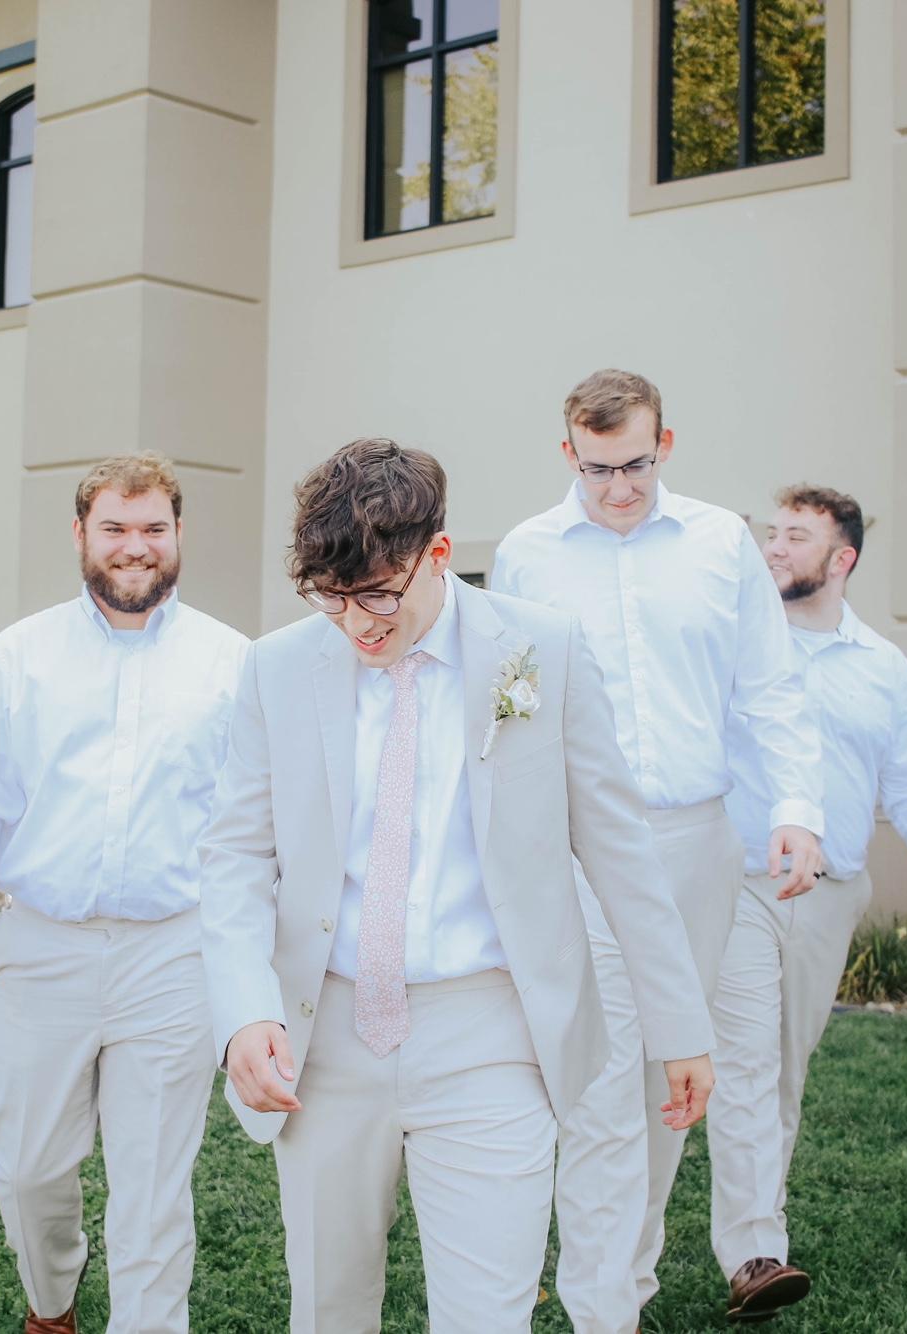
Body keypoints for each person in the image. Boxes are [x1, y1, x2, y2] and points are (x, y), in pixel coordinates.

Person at [200, 437, 715, 1332]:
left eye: (379, 595)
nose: (358, 622)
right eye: (332, 597)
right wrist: (246, 1010)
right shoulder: (276, 666)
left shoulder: (543, 651)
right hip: (323, 1037)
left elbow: (619, 850)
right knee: (328, 1309)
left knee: (487, 1316)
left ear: (438, 553)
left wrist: (679, 1026)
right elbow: (236, 854)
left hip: (491, 1034)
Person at [491, 369, 823, 1332]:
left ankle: (626, 1278)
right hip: (586, 853)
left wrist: (797, 806)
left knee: (673, 1079)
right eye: (598, 470)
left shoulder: (720, 542)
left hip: (699, 844)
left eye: (635, 465)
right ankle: (605, 1312)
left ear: (664, 445)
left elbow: (770, 688)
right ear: (569, 455)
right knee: (603, 1088)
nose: (619, 488)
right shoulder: (525, 554)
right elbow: (508, 712)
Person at [0, 454, 247, 1334]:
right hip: (40, 944)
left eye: (153, 529)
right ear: (80, 534)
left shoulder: (231, 661)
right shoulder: (20, 654)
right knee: (27, 1169)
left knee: (153, 1190)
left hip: (174, 952)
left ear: (178, 534)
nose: (135, 546)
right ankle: (52, 1301)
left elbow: (252, 822)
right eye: (115, 528)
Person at [710, 485, 907, 1317]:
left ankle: (759, 1228)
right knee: (747, 1064)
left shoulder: (883, 667)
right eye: (772, 533)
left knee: (783, 1073)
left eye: (795, 536)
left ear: (842, 557)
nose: (773, 548)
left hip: (832, 896)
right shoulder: (735, 645)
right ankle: (755, 1254)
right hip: (742, 883)